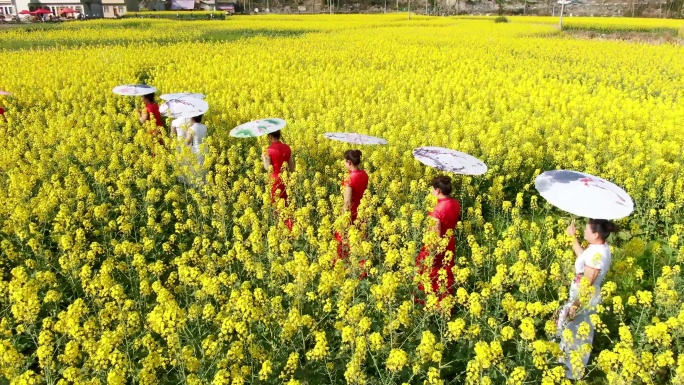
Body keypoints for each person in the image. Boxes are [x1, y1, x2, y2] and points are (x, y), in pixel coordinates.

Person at [556, 219, 615, 380]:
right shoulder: (598, 247)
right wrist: (572, 238)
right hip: (583, 296)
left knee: (577, 337)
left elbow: (587, 282)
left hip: (584, 300)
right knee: (571, 334)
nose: (584, 231)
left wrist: (575, 305)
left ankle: (571, 375)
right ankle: (565, 369)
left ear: (595, 234)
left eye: (587, 229)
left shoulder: (598, 255)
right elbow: (583, 258)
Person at [415, 175, 461, 301]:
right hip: (450, 243)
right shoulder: (456, 203)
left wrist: (430, 254)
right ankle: (445, 303)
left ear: (438, 191)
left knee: (431, 275)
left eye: (433, 188)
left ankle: (431, 304)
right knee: (446, 274)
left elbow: (435, 236)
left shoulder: (437, 211)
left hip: (437, 247)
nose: (431, 191)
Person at [334, 150, 369, 262]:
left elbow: (347, 202)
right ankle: (361, 266)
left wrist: (343, 218)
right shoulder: (364, 174)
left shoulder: (349, 179)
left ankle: (346, 265)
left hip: (352, 214)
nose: (344, 163)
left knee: (347, 241)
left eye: (345, 161)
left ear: (349, 162)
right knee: (360, 240)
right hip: (362, 211)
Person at [262, 130, 294, 230]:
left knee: (275, 205)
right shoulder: (287, 148)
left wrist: (264, 158)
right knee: (286, 204)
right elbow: (292, 167)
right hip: (286, 179)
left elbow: (268, 168)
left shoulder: (268, 150)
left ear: (270, 136)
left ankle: (277, 229)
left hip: (274, 180)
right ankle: (289, 229)